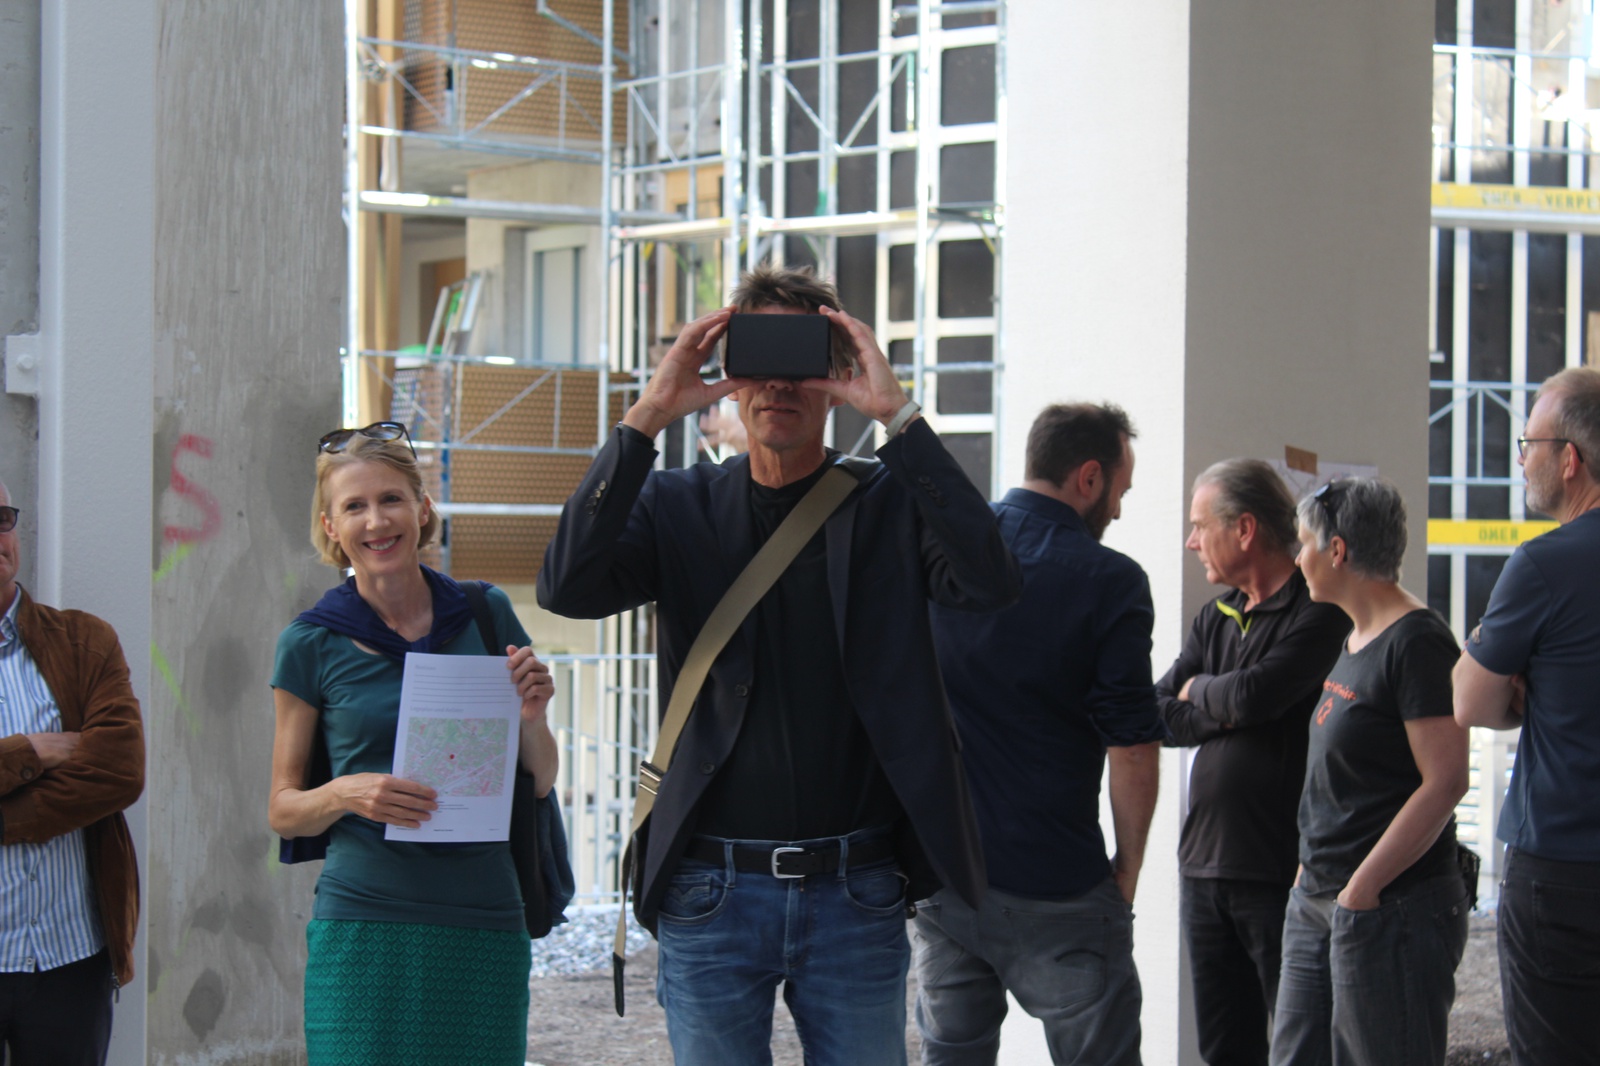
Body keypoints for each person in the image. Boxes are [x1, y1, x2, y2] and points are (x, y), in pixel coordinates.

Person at [538, 264, 1020, 1065]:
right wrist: (647, 416)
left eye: (801, 362)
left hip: (857, 885)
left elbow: (991, 581)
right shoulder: (679, 505)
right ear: (728, 375)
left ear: (837, 374)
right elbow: (566, 586)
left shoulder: (887, 503)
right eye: (757, 361)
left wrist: (899, 417)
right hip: (708, 884)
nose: (778, 386)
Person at [267, 423, 559, 1066]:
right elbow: (283, 809)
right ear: (332, 527)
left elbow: (539, 780)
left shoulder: (485, 613)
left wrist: (533, 720)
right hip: (363, 920)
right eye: (355, 506)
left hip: (482, 914)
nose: (377, 521)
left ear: (422, 509)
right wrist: (345, 793)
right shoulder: (310, 643)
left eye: (391, 499)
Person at [915, 402, 1162, 1066]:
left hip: (945, 875)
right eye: (1120, 491)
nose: (1118, 511)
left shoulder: (942, 550)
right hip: (1059, 881)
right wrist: (1127, 872)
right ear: (1089, 477)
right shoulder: (1111, 580)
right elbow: (1133, 746)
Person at [1269, 478, 1470, 1066]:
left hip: (1389, 906)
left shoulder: (1418, 642)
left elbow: (1447, 780)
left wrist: (1363, 890)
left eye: (1304, 543)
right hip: (1318, 895)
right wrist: (1310, 874)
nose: (1297, 558)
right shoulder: (1357, 637)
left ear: (1337, 551)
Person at [1157, 459, 1349, 1066]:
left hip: (1280, 871)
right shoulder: (1213, 617)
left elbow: (1254, 696)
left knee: (1303, 1047)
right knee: (1225, 1049)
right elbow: (1154, 711)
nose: (1190, 542)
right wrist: (1224, 708)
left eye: (1199, 526)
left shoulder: (1319, 612)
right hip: (1203, 869)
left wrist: (1200, 691)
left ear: (1244, 529)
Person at [1453, 366, 1600, 1066]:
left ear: (1569, 460)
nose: (1520, 460)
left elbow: (1470, 701)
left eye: (1528, 444)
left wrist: (1528, 682)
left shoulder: (1545, 564)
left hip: (1564, 872)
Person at [0, 479, 142, 1066]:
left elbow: (119, 771)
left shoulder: (85, 642)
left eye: (2, 518)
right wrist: (29, 752)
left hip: (70, 962)